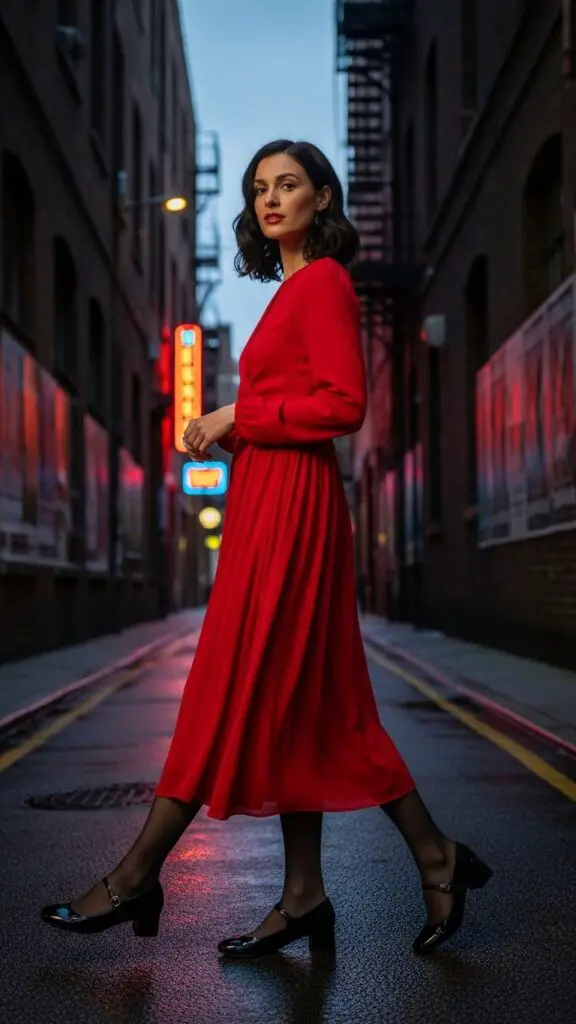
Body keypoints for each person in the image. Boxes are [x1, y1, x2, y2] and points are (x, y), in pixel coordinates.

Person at [41, 140, 492, 956]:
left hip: (294, 513)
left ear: (323, 197)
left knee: (232, 686)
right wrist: (235, 428)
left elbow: (345, 406)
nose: (270, 200)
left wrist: (233, 418)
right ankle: (331, 888)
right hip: (266, 505)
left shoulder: (322, 282)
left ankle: (137, 875)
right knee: (307, 707)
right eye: (258, 190)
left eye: (288, 185)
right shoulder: (290, 291)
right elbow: (300, 402)